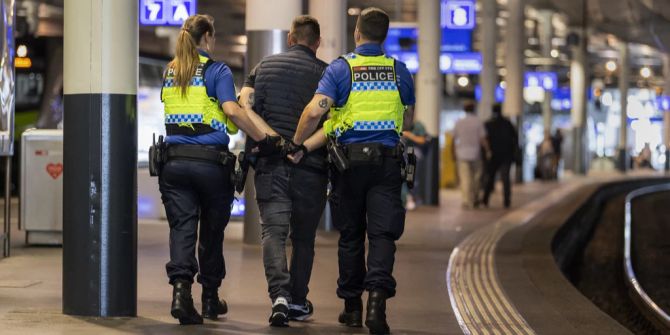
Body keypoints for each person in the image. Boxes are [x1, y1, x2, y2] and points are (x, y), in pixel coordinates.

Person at [291, 8, 415, 334]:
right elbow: (409, 119)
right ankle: (377, 303)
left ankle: (352, 307)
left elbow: (313, 111)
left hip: (348, 165)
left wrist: (297, 142)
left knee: (350, 235)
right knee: (382, 234)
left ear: (357, 33)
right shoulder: (399, 71)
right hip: (387, 164)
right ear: (384, 36)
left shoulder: (341, 69)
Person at [158, 14, 274, 325]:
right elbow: (231, 110)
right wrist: (265, 137)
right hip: (210, 164)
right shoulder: (217, 70)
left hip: (174, 162)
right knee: (211, 232)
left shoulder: (171, 71)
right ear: (207, 36)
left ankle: (181, 294)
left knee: (182, 228)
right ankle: (209, 298)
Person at [238, 15, 329, 327]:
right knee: (303, 238)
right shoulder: (328, 74)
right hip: (311, 167)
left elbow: (246, 110)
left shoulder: (262, 67)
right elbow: (330, 124)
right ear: (316, 42)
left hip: (271, 164)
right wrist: (301, 147)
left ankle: (278, 295)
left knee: (273, 232)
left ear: (291, 38)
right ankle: (297, 300)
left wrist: (272, 142)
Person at [452, 101, 490, 209]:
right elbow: (483, 139)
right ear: (474, 109)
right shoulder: (478, 122)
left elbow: (454, 139)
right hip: (475, 154)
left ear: (464, 109)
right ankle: (475, 198)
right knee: (476, 178)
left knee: (465, 179)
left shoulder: (459, 122)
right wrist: (488, 151)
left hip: (462, 154)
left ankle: (466, 201)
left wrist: (453, 153)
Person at [480, 104, 517, 209]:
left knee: (490, 178)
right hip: (506, 156)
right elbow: (515, 140)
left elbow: (485, 141)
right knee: (505, 179)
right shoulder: (508, 124)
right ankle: (507, 201)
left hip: (493, 156)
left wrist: (486, 154)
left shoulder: (488, 124)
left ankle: (485, 200)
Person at [401, 120, 428, 210]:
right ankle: (406, 199)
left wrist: (409, 135)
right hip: (401, 154)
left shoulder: (417, 125)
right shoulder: (397, 122)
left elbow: (422, 140)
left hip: (413, 154)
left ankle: (412, 199)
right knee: (402, 178)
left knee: (412, 178)